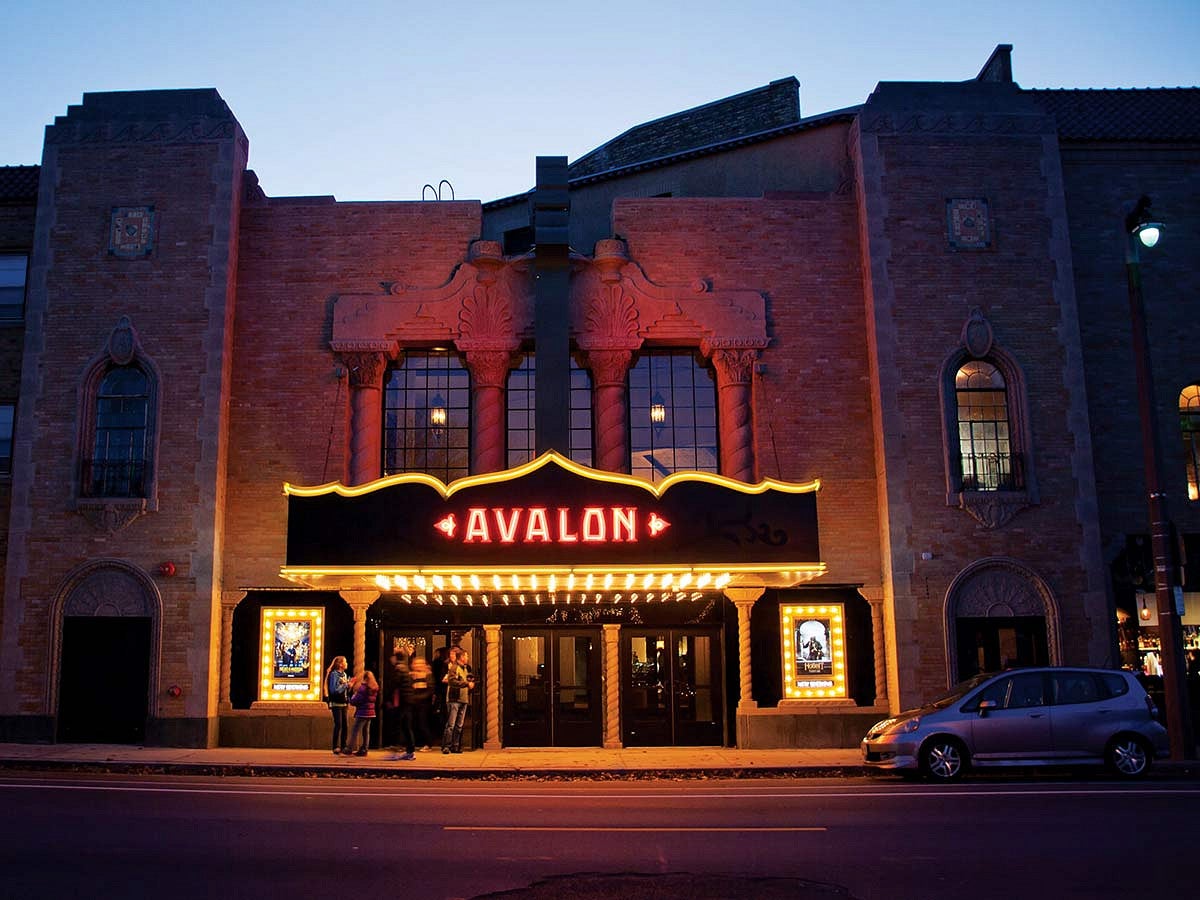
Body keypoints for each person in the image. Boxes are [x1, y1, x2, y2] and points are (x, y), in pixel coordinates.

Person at [387, 651, 417, 761]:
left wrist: (388, 699)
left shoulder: (399, 669)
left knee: (398, 725)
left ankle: (396, 750)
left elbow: (394, 685)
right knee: (407, 726)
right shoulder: (407, 669)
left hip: (401, 701)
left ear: (396, 658)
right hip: (408, 701)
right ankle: (410, 751)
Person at [441, 647, 471, 754]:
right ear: (462, 657)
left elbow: (466, 680)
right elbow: (452, 681)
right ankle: (446, 746)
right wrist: (466, 684)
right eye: (466, 656)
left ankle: (456, 746)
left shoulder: (465, 668)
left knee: (459, 725)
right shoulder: (454, 668)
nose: (468, 658)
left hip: (463, 699)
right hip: (454, 699)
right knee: (451, 724)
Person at [346, 670, 379, 756]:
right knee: (366, 731)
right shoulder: (374, 687)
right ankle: (364, 749)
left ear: (364, 678)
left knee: (355, 730)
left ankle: (349, 748)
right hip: (371, 712)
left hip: (362, 712)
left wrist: (352, 697)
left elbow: (355, 701)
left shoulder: (363, 688)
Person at [324, 655, 351, 755]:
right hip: (336, 703)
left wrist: (349, 687)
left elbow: (345, 690)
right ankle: (335, 746)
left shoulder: (344, 674)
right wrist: (345, 685)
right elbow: (334, 690)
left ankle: (344, 746)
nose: (347, 663)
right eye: (345, 662)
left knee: (345, 725)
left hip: (344, 703)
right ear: (340, 664)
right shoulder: (334, 675)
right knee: (338, 724)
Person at [408, 650, 434, 750]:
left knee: (423, 723)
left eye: (419, 663)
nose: (417, 665)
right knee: (414, 723)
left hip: (423, 704)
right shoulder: (412, 675)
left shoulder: (427, 674)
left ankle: (428, 743)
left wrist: (418, 695)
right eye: (415, 663)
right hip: (414, 704)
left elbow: (430, 689)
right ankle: (416, 743)